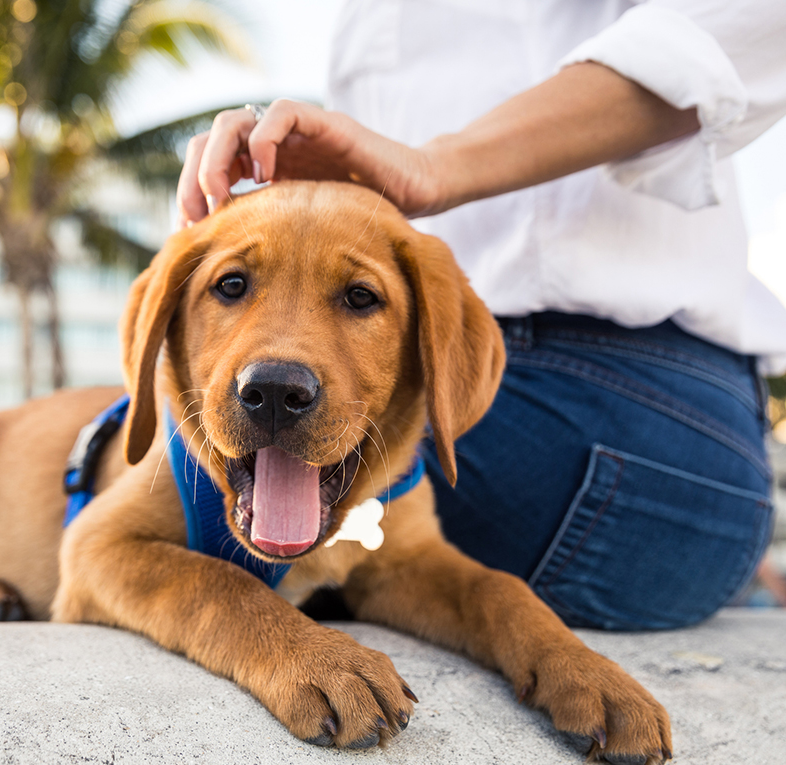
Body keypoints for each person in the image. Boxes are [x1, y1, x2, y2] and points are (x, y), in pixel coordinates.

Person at [175, 0, 786, 630]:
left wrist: (436, 167)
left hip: (621, 395)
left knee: (156, 515)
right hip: (459, 374)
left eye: (359, 298)